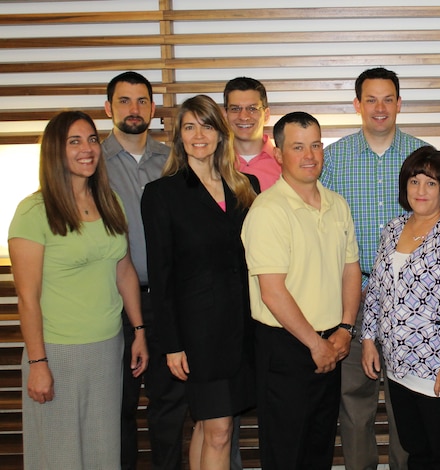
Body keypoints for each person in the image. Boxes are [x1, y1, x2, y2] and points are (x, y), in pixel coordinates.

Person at [9, 110, 149, 469]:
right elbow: (27, 297)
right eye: (74, 141)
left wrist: (138, 331)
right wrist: (38, 363)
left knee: (103, 453)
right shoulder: (33, 211)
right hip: (57, 352)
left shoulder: (110, 202)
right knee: (60, 457)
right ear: (56, 150)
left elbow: (125, 271)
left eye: (90, 139)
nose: (87, 149)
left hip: (107, 348)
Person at [141, 95, 258, 470]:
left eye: (206, 125)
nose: (198, 135)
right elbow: (161, 277)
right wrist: (172, 344)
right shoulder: (162, 194)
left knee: (209, 430)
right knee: (220, 430)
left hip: (242, 329)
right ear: (178, 136)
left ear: (220, 133)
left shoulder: (245, 186)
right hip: (198, 336)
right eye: (189, 127)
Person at [321, 66, 428, 470]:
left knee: (407, 401)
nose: (379, 108)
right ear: (357, 104)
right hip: (354, 295)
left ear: (399, 104)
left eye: (388, 99)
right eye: (371, 99)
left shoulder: (422, 157)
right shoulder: (332, 160)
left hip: (412, 301)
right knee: (354, 402)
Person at [242, 111, 362, 470]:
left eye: (315, 146)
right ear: (278, 154)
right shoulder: (268, 211)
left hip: (332, 342)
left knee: (319, 449)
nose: (309, 156)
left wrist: (346, 328)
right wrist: (315, 344)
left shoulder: (337, 205)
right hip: (287, 349)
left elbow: (350, 270)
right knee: (286, 453)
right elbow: (272, 292)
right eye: (297, 147)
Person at [361, 146, 440, 470]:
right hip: (399, 369)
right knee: (416, 452)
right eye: (415, 181)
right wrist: (368, 340)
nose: (421, 190)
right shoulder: (392, 229)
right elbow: (376, 290)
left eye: (431, 183)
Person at [102, 70, 188, 470]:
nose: (133, 109)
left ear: (153, 109)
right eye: (124, 101)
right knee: (117, 406)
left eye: (141, 101)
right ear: (108, 108)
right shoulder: (93, 162)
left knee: (169, 406)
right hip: (112, 304)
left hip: (167, 299)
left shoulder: (174, 160)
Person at [223, 76, 281, 192]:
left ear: (266, 115)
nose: (243, 116)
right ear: (225, 115)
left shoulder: (286, 164)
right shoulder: (214, 164)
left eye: (252, 108)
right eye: (235, 109)